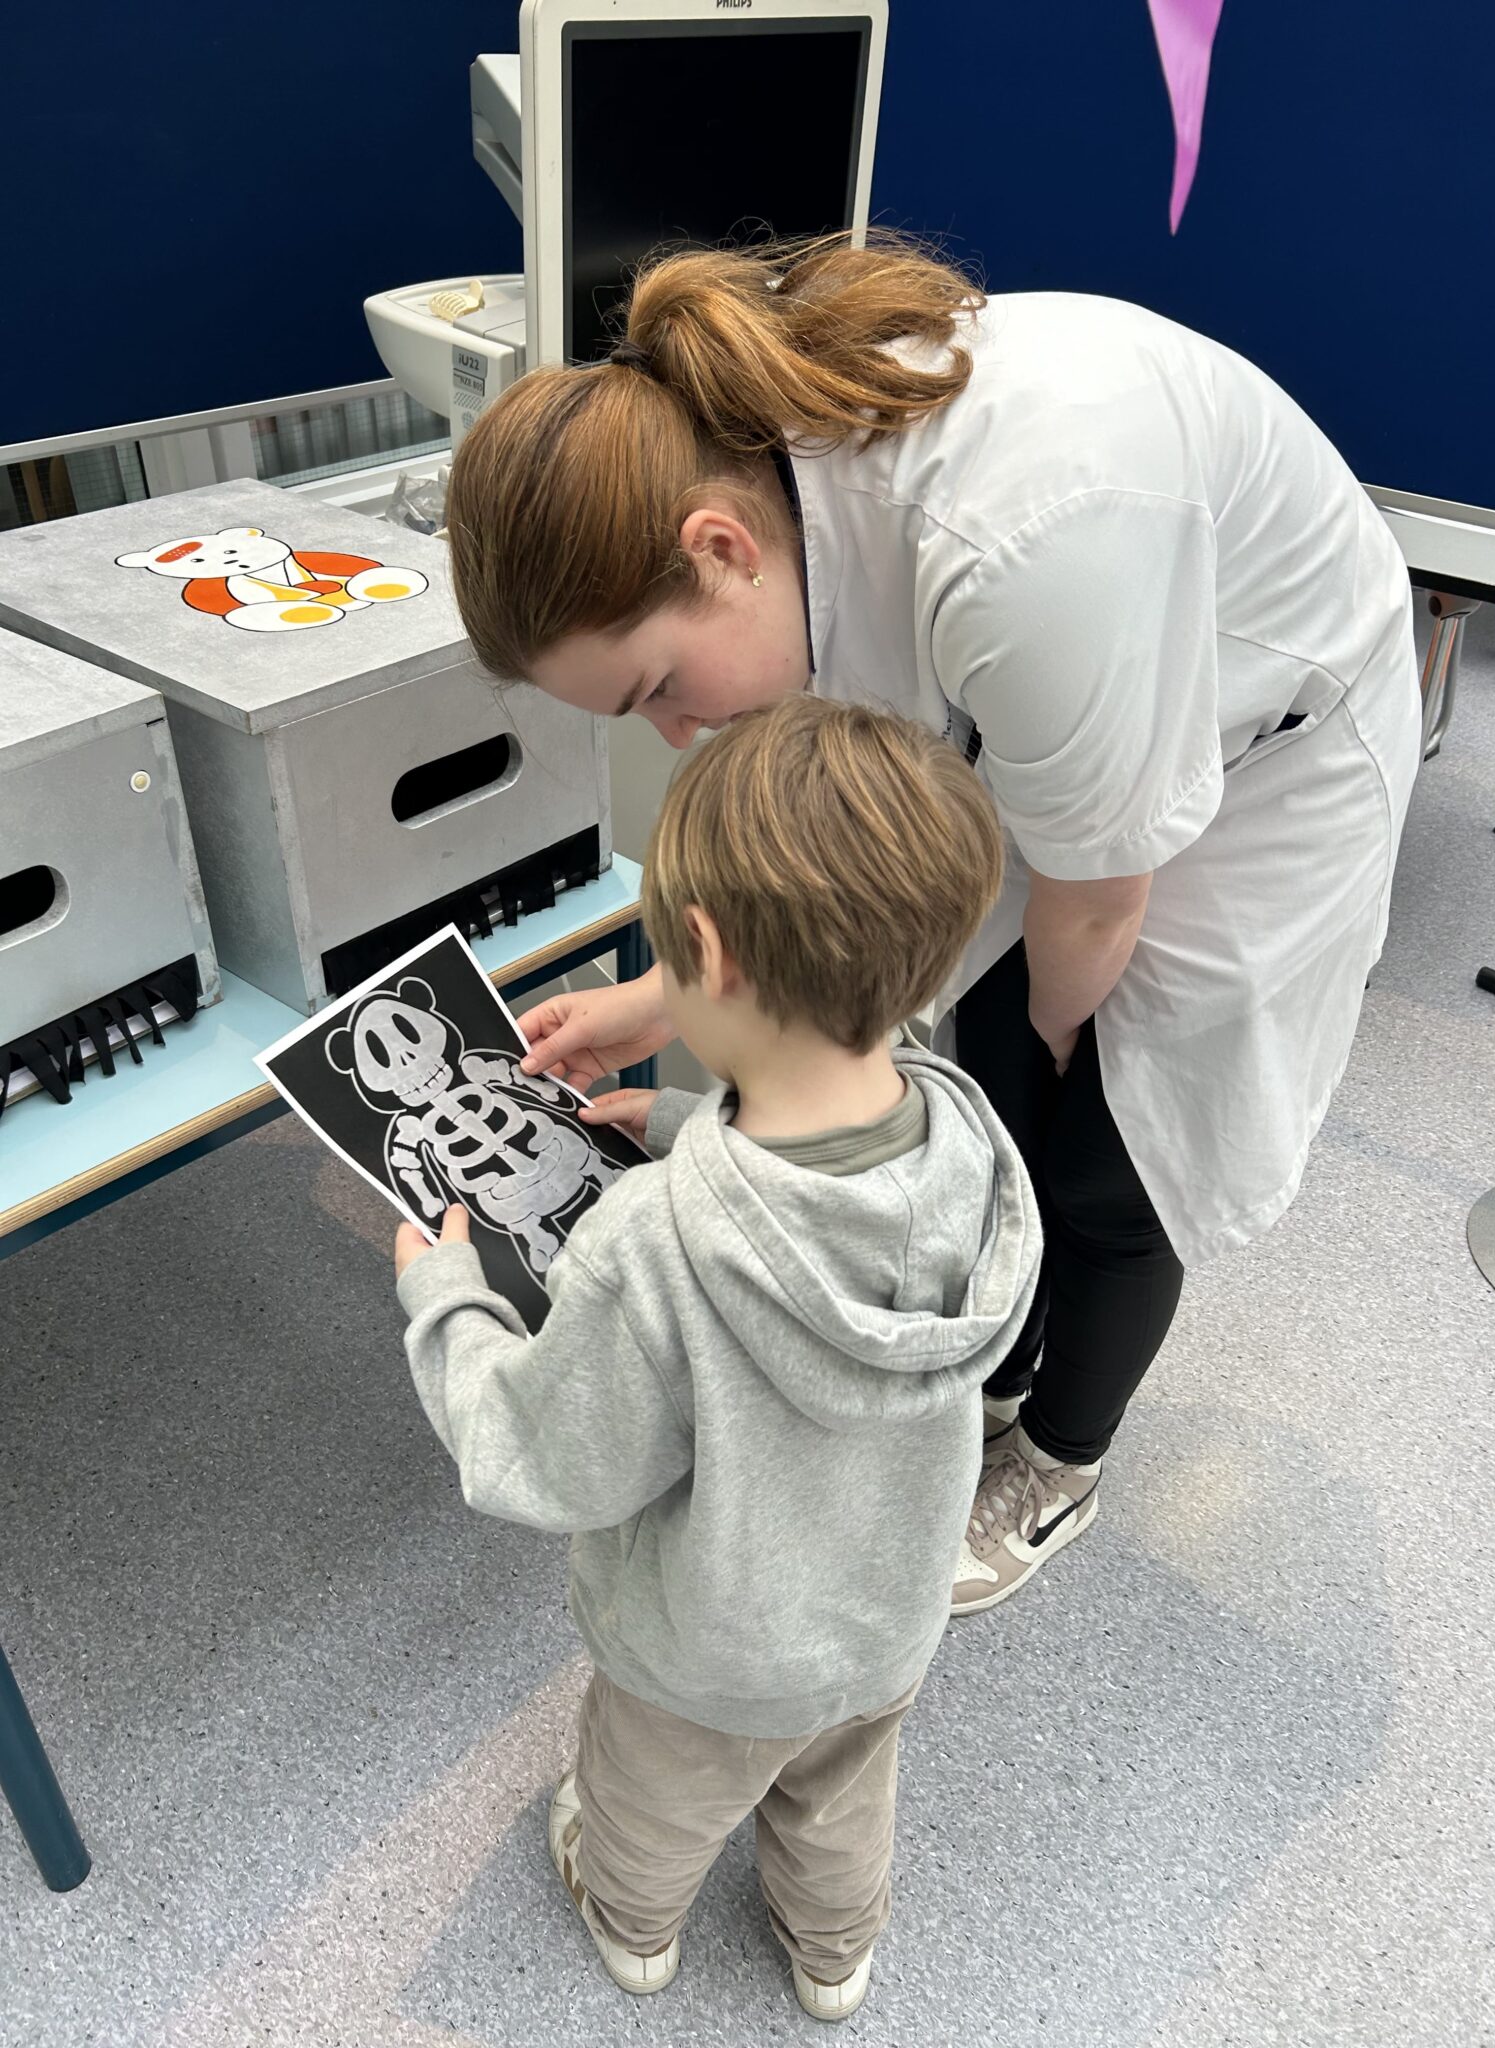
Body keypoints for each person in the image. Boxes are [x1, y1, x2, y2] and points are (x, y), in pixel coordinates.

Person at [446, 234, 1421, 1612]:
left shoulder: (1021, 532)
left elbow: (1096, 897)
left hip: (1270, 731)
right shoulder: (762, 481)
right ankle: (998, 1366)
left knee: (1107, 1157)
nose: (675, 736)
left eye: (657, 687)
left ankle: (1060, 1463)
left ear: (716, 549)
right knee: (988, 1093)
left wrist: (1063, 1043)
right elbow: (850, 839)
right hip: (1067, 693)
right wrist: (659, 1001)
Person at [393, 695, 1040, 2018]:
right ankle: (832, 1957)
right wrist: (694, 1117)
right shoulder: (973, 1152)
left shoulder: (657, 1242)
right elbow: (838, 1194)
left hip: (710, 1654)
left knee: (649, 1797)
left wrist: (447, 1300)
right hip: (888, 1620)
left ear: (699, 948)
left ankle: (631, 1925)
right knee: (842, 1793)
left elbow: (540, 1458)